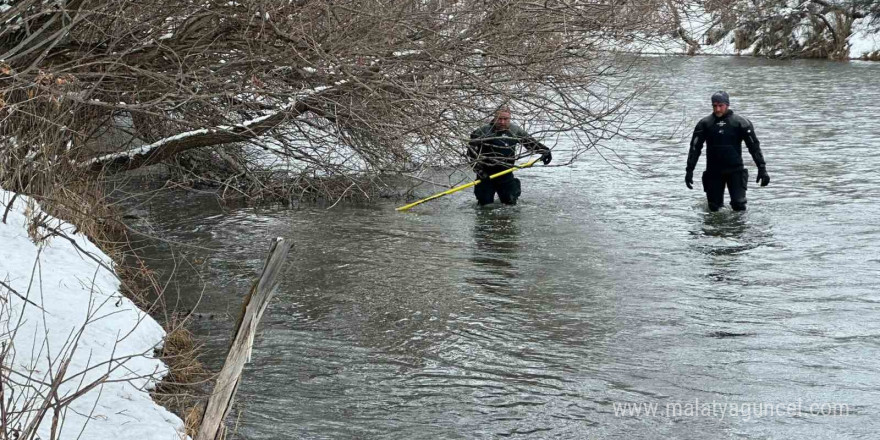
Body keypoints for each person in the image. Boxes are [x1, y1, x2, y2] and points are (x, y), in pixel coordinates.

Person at [685, 91, 769, 211]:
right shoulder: (704, 124)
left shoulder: (741, 123)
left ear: (727, 105)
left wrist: (762, 169)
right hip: (714, 172)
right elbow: (695, 148)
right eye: (714, 106)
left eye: (721, 105)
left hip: (735, 171)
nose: (718, 109)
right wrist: (689, 170)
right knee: (714, 208)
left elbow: (754, 147)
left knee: (739, 205)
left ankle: (738, 229)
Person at [467, 106, 552, 205]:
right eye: (499, 119)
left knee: (510, 204)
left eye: (505, 119)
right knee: (485, 205)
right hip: (486, 175)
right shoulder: (482, 132)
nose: (502, 122)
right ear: (494, 118)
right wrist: (480, 171)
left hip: (506, 174)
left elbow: (532, 144)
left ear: (510, 118)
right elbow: (470, 153)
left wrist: (545, 151)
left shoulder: (515, 131)